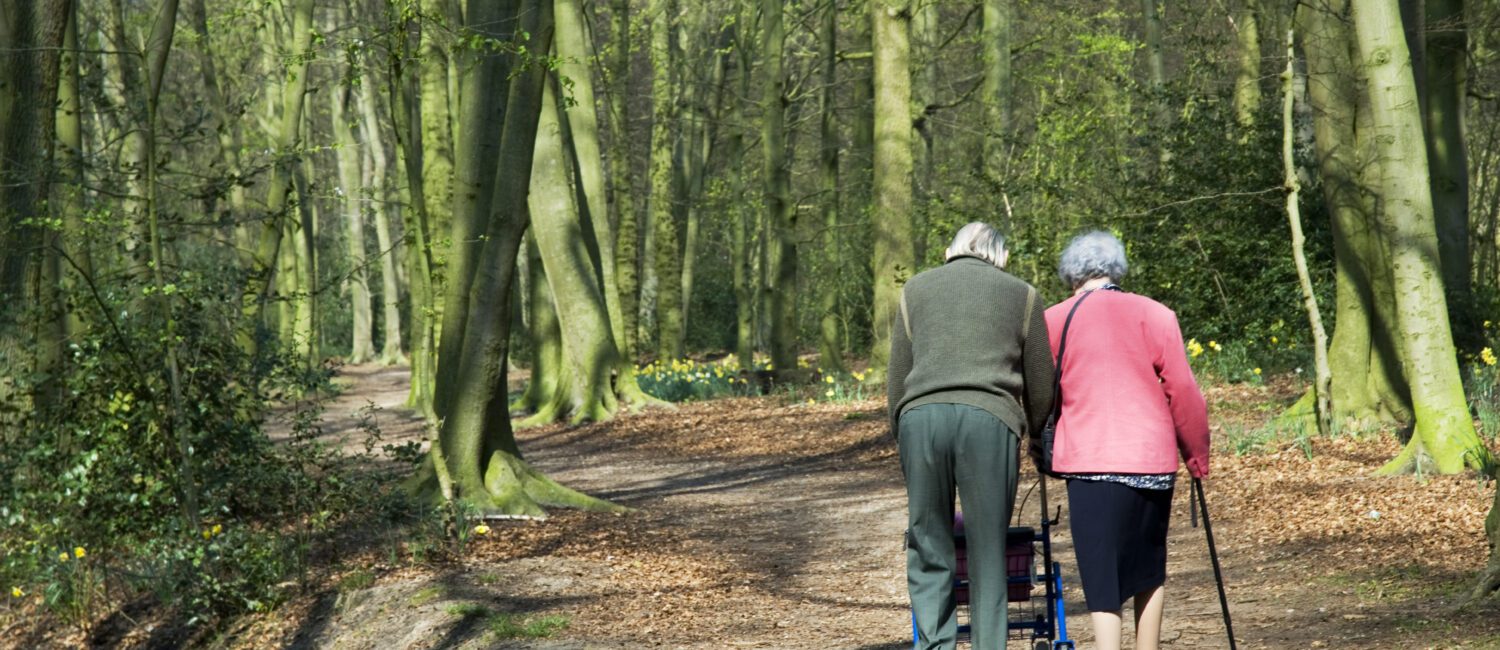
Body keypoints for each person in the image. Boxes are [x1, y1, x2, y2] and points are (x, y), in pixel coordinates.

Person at [888, 222, 1055, 650]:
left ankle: (935, 646)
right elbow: (1041, 381)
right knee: (986, 551)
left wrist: (903, 435)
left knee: (929, 544)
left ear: (953, 249)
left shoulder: (915, 290)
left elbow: (897, 378)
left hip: (920, 419)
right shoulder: (1023, 293)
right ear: (998, 255)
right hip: (989, 419)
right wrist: (1038, 435)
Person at [1043, 231, 1210, 650]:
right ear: (1117, 269)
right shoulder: (1155, 313)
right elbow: (1184, 392)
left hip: (1088, 459)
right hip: (1150, 460)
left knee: (1102, 572)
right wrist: (1196, 457)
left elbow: (1039, 394)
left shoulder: (1054, 319)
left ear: (1071, 275)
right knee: (1148, 567)